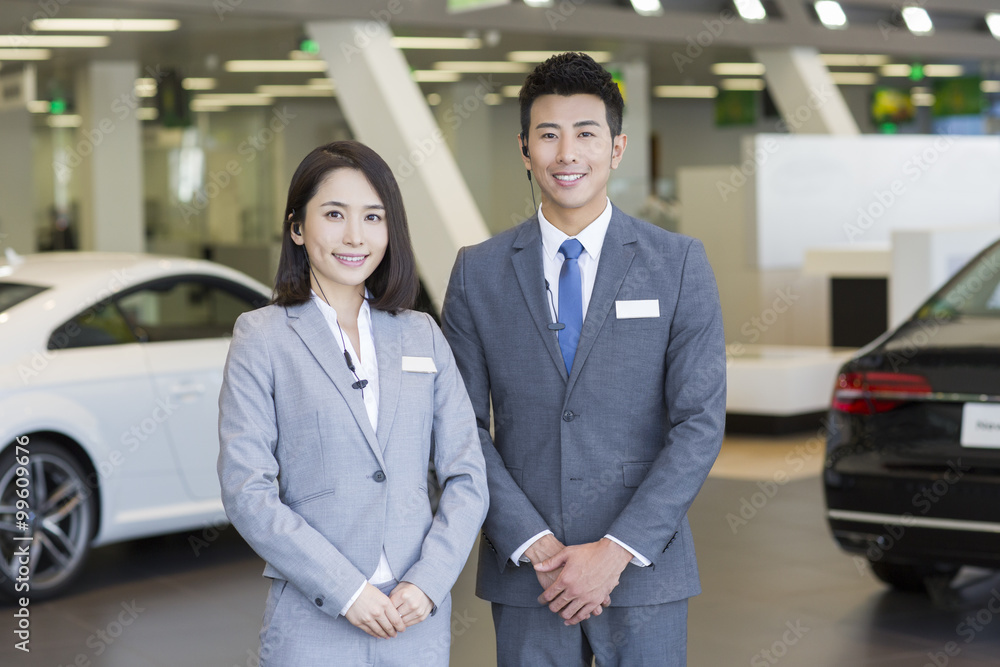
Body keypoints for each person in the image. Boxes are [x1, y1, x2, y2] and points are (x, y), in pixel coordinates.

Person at [441, 52, 726, 665]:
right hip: (527, 575)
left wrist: (617, 550)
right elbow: (461, 429)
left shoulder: (677, 264)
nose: (567, 153)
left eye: (586, 133)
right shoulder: (478, 273)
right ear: (524, 149)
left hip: (644, 571)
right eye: (548, 135)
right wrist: (534, 543)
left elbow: (698, 424)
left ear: (617, 148)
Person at [218, 140, 488, 666]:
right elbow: (247, 491)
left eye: (373, 217)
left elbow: (467, 475)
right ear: (297, 227)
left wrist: (428, 583)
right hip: (315, 619)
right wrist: (347, 591)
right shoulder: (262, 336)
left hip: (415, 618)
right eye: (334, 214)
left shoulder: (421, 335)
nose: (354, 236)